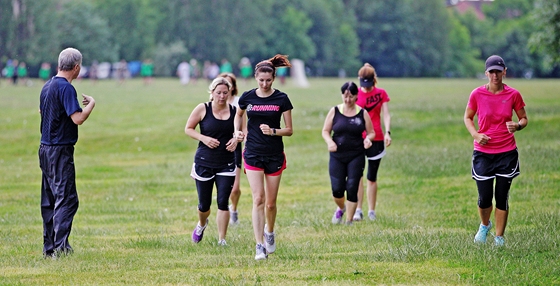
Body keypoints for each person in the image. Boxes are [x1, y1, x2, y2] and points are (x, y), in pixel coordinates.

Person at [233, 54, 293, 260]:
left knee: (270, 204)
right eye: (261, 80)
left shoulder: (282, 99)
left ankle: (270, 231)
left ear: (273, 78)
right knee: (258, 199)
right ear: (256, 78)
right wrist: (238, 132)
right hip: (253, 153)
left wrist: (273, 131)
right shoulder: (248, 97)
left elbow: (290, 130)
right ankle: (259, 245)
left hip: (274, 154)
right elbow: (239, 115)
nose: (265, 84)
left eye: (268, 80)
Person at [464, 55, 528, 247]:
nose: (495, 75)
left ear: (504, 72)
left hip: (506, 152)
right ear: (486, 73)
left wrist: (518, 125)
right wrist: (476, 134)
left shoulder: (513, 94)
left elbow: (524, 118)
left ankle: (499, 238)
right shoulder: (476, 94)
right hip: (483, 153)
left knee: (502, 195)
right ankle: (485, 225)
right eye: (491, 72)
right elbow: (467, 117)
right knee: (484, 197)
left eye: (498, 71)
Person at [38, 47, 96, 258]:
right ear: (77, 67)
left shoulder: (47, 86)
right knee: (67, 199)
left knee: (49, 199)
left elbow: (42, 112)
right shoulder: (66, 88)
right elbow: (77, 118)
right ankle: (60, 248)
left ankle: (49, 248)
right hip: (60, 150)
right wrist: (91, 106)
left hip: (44, 148)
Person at [185, 77, 239, 246]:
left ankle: (222, 239)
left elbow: (242, 131)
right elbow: (188, 129)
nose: (222, 96)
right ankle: (201, 224)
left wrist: (237, 139)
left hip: (227, 162)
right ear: (212, 92)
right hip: (204, 161)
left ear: (230, 92)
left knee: (223, 202)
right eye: (218, 93)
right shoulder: (203, 108)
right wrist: (204, 138)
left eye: (225, 93)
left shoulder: (235, 111)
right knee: (204, 205)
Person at [322, 82, 375, 225]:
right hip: (337, 155)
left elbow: (371, 133)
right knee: (337, 189)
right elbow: (325, 131)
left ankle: (349, 221)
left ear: (357, 96)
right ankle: (341, 208)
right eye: (345, 96)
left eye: (351, 96)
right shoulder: (335, 111)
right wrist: (329, 142)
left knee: (352, 187)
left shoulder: (362, 113)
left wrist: (368, 140)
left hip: (356, 154)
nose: (348, 100)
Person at [353, 63, 392, 221]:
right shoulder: (355, 94)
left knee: (372, 177)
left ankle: (371, 211)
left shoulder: (381, 93)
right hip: (359, 138)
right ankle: (358, 210)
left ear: (373, 80)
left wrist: (388, 132)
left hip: (377, 138)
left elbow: (386, 114)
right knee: (358, 175)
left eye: (369, 85)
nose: (366, 88)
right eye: (364, 85)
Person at [217, 73, 244, 226]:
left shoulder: (239, 103)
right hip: (218, 148)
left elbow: (244, 128)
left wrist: (238, 137)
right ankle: (224, 209)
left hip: (235, 148)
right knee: (223, 188)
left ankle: (233, 208)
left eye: (229, 84)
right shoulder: (213, 103)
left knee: (235, 189)